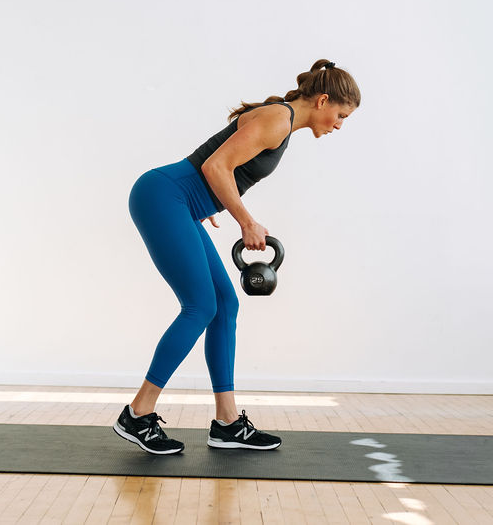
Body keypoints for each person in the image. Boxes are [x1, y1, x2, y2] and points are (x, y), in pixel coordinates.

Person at [113, 59, 361, 454]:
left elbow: (216, 167)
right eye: (340, 115)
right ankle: (138, 415)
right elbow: (216, 165)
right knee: (200, 306)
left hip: (180, 201)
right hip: (163, 196)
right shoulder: (278, 119)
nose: (339, 124)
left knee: (224, 305)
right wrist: (245, 221)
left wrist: (205, 199)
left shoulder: (280, 121)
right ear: (323, 100)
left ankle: (227, 423)